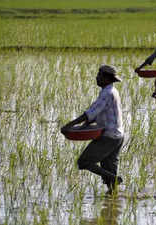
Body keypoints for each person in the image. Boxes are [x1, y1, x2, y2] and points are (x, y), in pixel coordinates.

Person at [61, 65, 124, 195]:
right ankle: (112, 204)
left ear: (106, 78)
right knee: (108, 172)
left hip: (109, 136)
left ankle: (115, 179)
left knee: (83, 162)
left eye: (99, 75)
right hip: (118, 135)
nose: (96, 77)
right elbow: (98, 114)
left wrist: (69, 125)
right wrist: (86, 124)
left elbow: (91, 112)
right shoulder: (112, 91)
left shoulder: (107, 93)